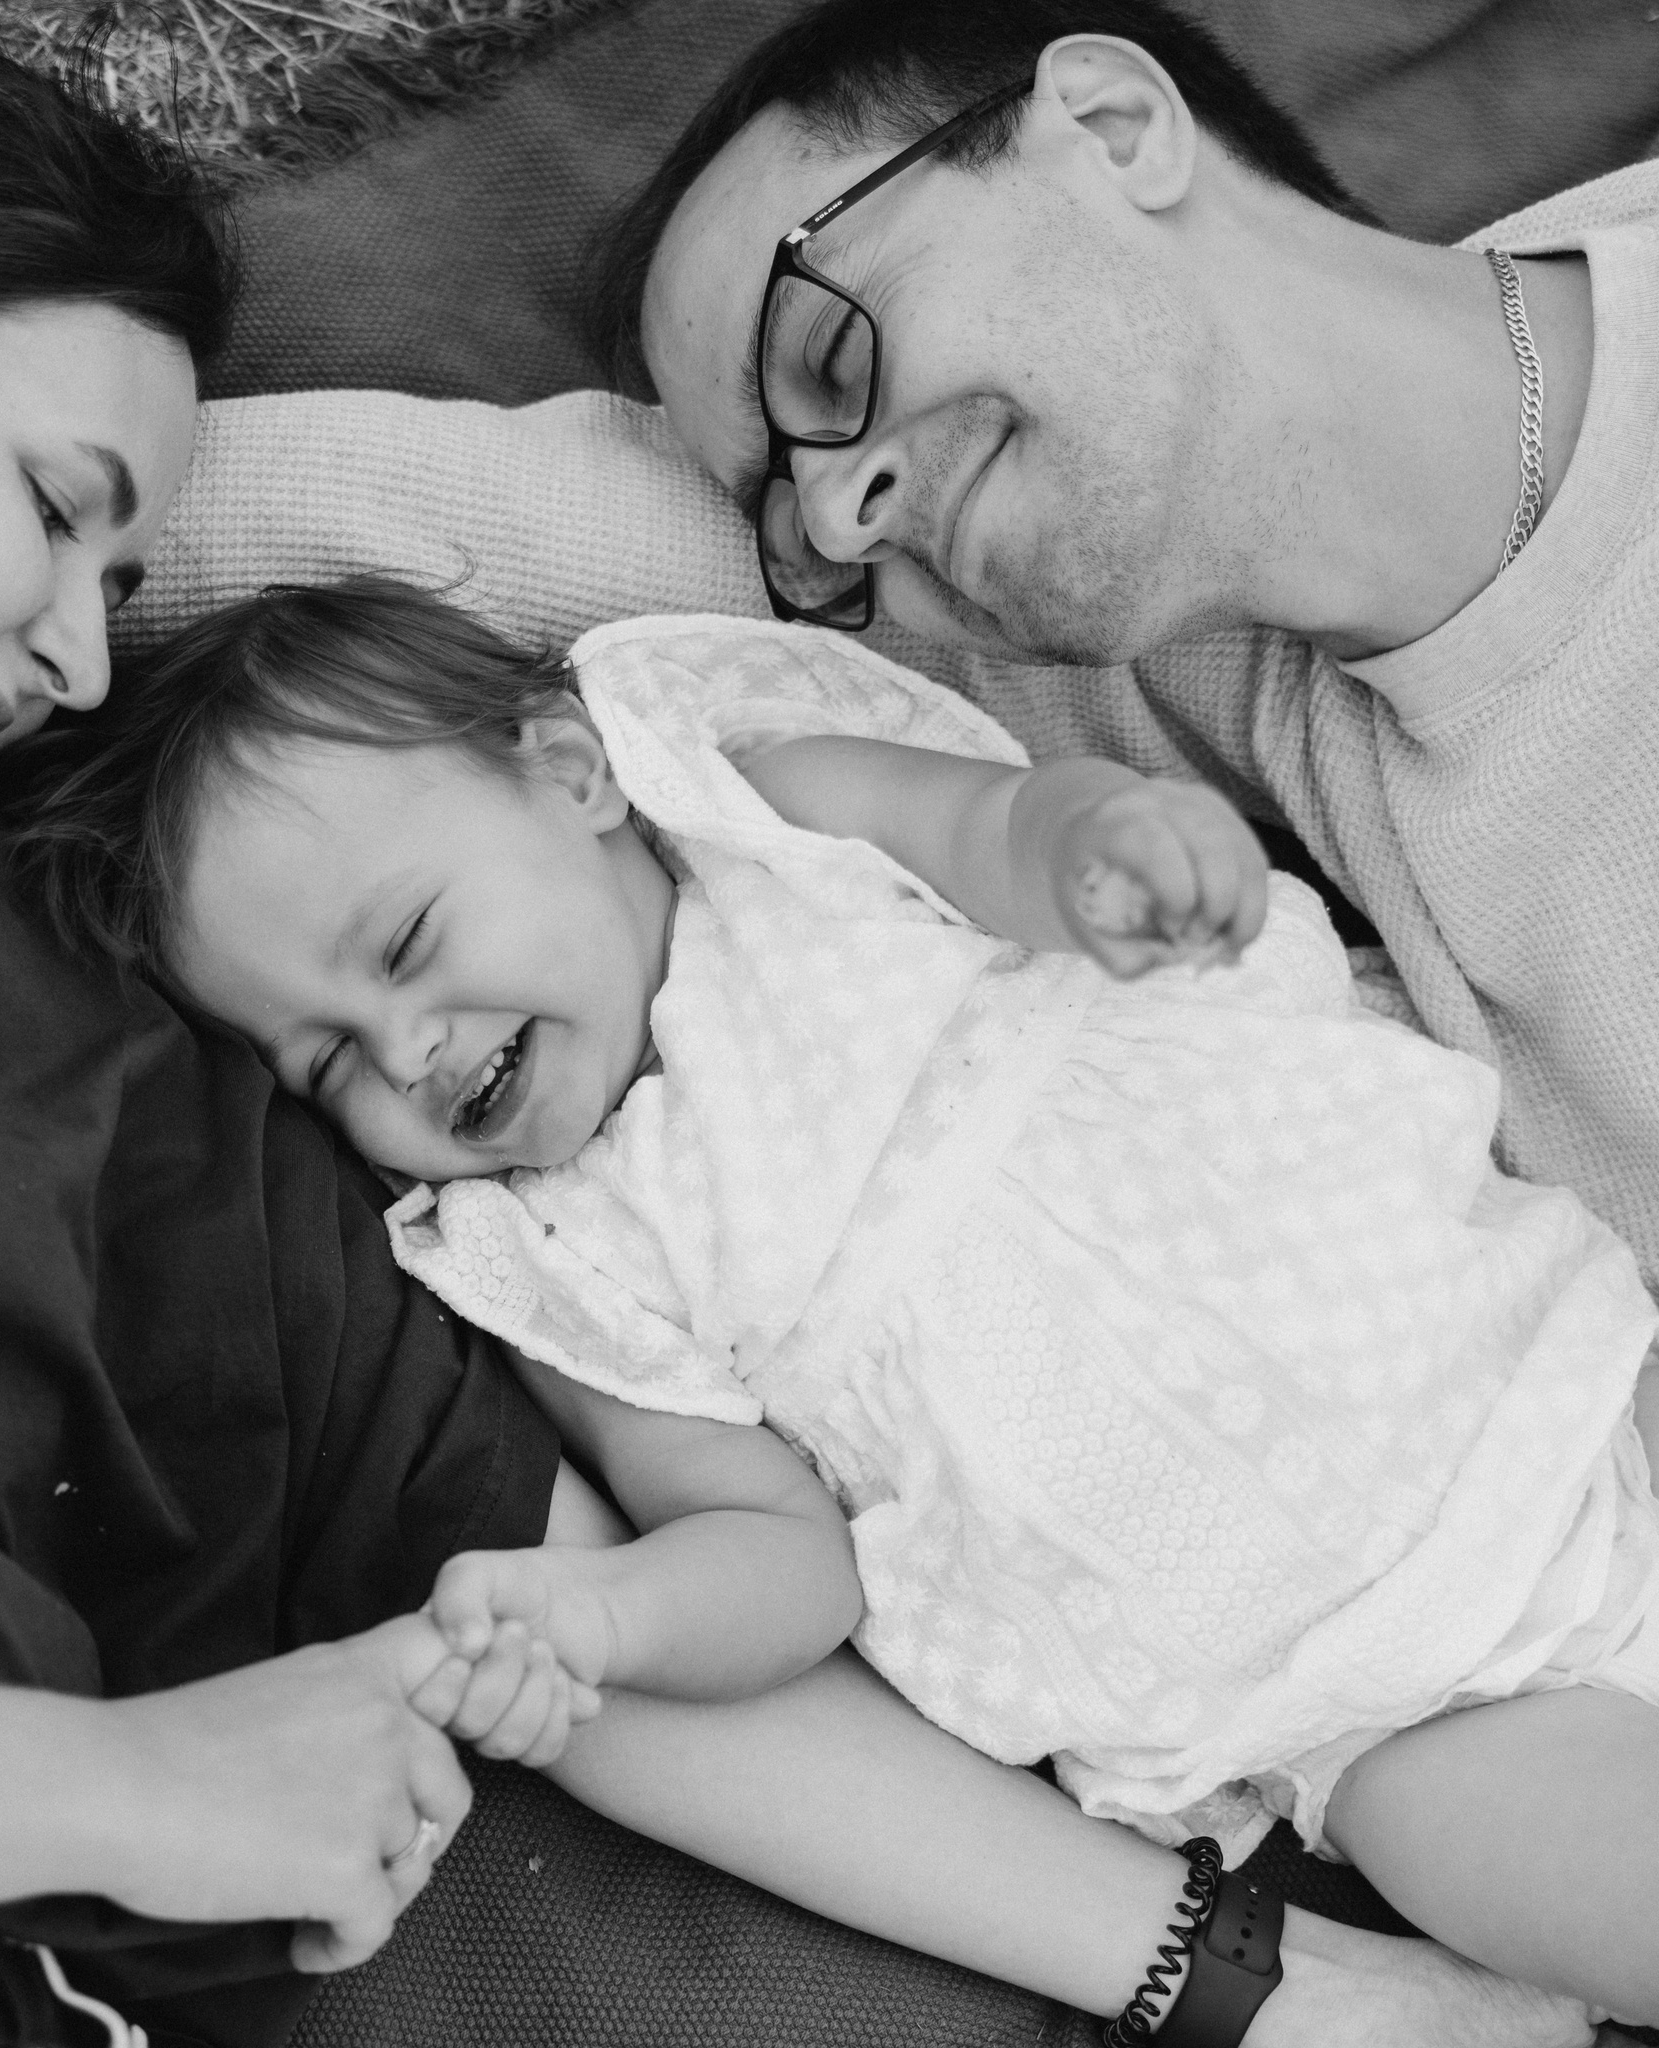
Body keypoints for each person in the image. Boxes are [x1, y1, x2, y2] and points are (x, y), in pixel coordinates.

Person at [0, 17, 1615, 2048]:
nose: (68, 631)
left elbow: (547, 1600)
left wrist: (1265, 1996)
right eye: (50, 501)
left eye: (120, 568)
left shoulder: (104, 1023)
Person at [16, 574, 1659, 2023]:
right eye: (329, 1063)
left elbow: (988, 831)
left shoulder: (753, 811)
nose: (409, 1051)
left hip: (1548, 1383)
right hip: (1370, 1706)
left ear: (569, 775)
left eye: (406, 945)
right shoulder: (558, 1252)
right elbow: (781, 1559)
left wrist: (1095, 848)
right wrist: (609, 1616)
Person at [595, 0, 1659, 1335]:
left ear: (1114, 127)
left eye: (824, 351)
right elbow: (543, 554)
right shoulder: (1188, 679)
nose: (832, 518)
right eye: (784, 522)